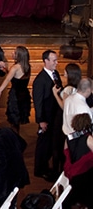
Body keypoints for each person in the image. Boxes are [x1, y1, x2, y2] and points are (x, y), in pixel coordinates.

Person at [33, 49, 63, 181]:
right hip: (46, 117)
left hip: (55, 116)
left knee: (51, 143)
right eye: (54, 60)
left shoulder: (55, 74)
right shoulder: (40, 80)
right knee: (43, 145)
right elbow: (38, 102)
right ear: (46, 61)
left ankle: (45, 166)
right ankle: (40, 169)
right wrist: (41, 120)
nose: (57, 63)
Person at [63, 113, 93, 209]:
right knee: (90, 204)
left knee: (76, 200)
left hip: (73, 177)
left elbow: (66, 154)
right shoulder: (88, 139)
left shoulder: (68, 138)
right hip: (86, 177)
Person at [0, 46, 31, 134]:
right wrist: (6, 70)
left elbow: (7, 79)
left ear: (19, 55)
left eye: (15, 52)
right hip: (24, 95)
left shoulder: (15, 67)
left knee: (14, 120)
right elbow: (17, 77)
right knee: (18, 119)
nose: (12, 53)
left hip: (15, 96)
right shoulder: (27, 67)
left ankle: (14, 138)